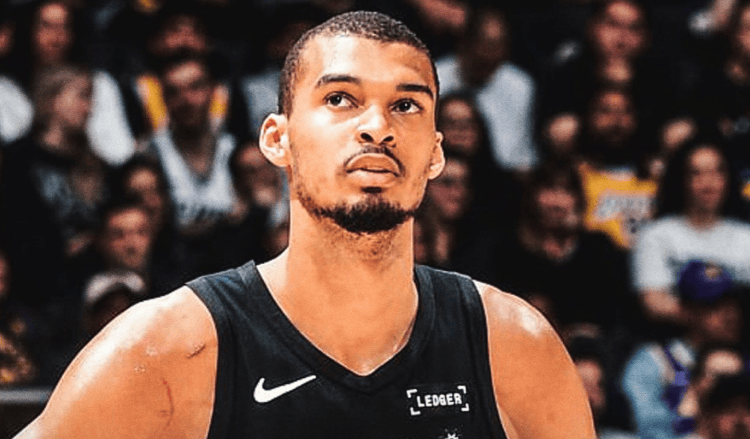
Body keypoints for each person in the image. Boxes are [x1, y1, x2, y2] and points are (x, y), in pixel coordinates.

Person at [14, 11, 595, 439]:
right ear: (277, 139)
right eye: (340, 98)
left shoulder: (515, 347)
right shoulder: (171, 347)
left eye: (407, 105)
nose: (378, 126)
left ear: (436, 153)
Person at [632, 139, 750, 327]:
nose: (708, 183)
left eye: (718, 172)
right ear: (681, 180)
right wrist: (709, 321)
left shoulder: (746, 236)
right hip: (675, 336)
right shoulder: (657, 235)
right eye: (697, 173)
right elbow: (653, 302)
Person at [621, 260, 744, 439]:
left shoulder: (743, 361)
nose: (729, 315)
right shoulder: (654, 360)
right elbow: (642, 426)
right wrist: (693, 404)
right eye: (714, 306)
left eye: (733, 306)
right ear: (685, 309)